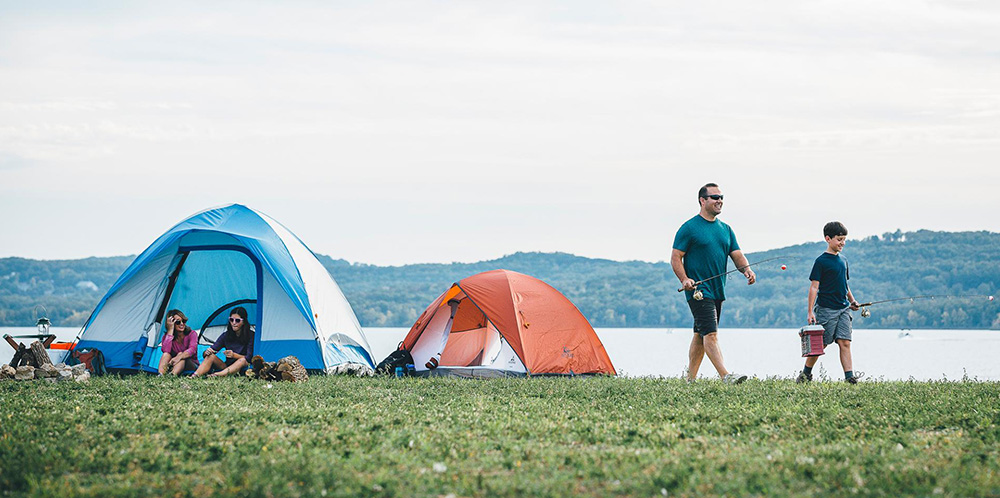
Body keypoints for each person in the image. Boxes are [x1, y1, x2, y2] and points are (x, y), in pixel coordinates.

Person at [671, 183, 755, 384]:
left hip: (718, 290)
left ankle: (690, 380)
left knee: (700, 334)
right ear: (702, 200)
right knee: (711, 333)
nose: (720, 201)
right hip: (699, 290)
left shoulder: (725, 229)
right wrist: (685, 279)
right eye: (715, 197)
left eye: (721, 197)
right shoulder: (689, 228)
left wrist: (747, 270)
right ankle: (726, 376)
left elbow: (737, 255)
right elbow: (675, 257)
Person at [797, 222, 863, 384]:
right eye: (839, 239)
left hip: (844, 309)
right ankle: (805, 374)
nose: (842, 243)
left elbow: (844, 285)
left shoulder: (843, 260)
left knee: (845, 342)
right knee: (821, 345)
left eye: (844, 239)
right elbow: (814, 287)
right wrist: (810, 311)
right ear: (828, 239)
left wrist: (852, 301)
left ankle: (849, 378)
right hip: (826, 309)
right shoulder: (821, 261)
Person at [193, 306, 254, 378]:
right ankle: (194, 376)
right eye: (231, 320)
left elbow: (249, 358)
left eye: (237, 320)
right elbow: (213, 349)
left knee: (243, 360)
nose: (234, 323)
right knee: (210, 356)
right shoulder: (226, 335)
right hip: (227, 367)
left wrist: (234, 355)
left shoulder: (251, 335)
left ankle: (216, 375)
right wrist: (206, 352)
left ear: (243, 321)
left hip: (243, 368)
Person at [158, 309, 199, 375]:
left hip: (191, 364)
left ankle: (172, 375)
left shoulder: (192, 334)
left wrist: (178, 357)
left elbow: (192, 350)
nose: (182, 324)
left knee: (180, 354)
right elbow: (165, 350)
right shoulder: (167, 336)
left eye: (184, 321)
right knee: (166, 354)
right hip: (174, 364)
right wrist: (170, 330)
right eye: (178, 322)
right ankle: (161, 375)